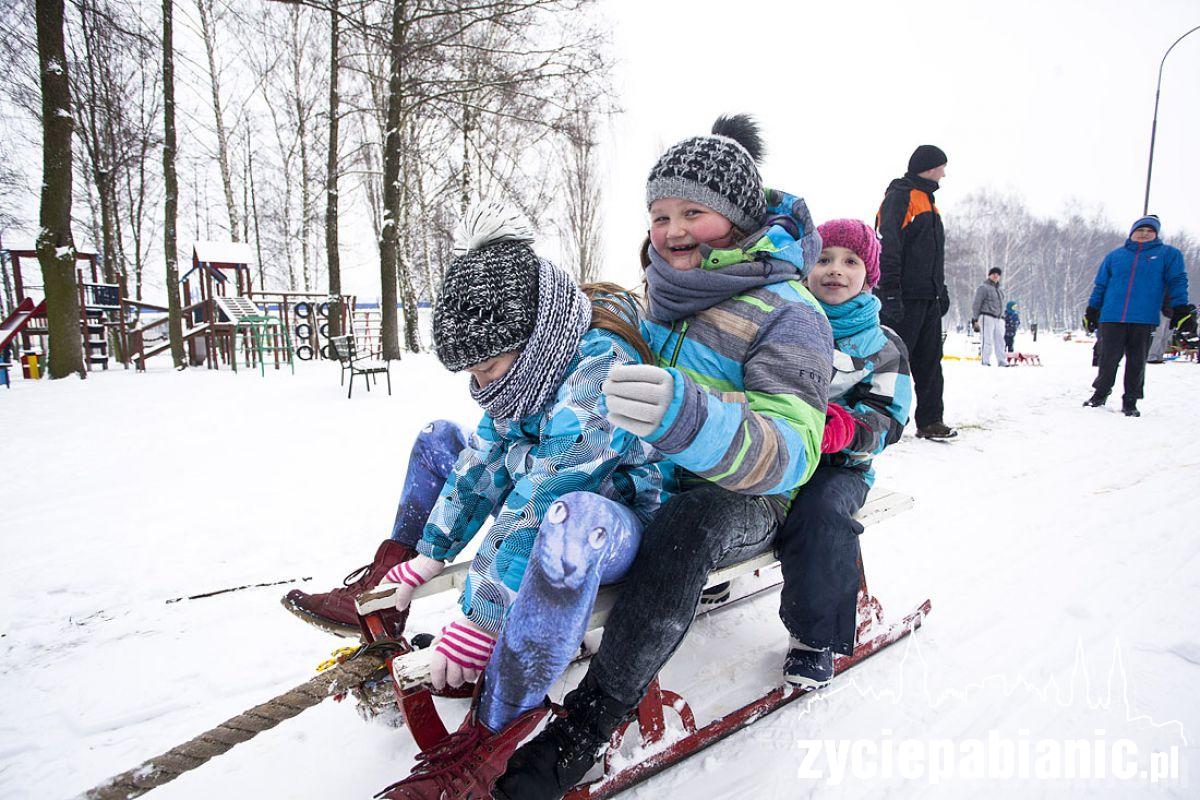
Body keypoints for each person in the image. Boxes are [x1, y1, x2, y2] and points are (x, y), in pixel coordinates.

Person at [283, 205, 675, 800]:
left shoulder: (602, 368)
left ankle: (490, 737)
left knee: (566, 519)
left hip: (613, 522)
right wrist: (427, 557)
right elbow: (482, 463)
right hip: (546, 505)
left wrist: (481, 612)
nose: (482, 382)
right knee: (441, 440)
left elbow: (551, 488)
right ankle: (386, 598)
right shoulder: (522, 374)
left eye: (488, 365)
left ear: (532, 338)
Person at [493, 114, 833, 800]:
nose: (673, 230)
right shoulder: (662, 289)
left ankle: (589, 723)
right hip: (653, 475)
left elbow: (795, 449)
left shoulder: (790, 313)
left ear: (737, 218)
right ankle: (500, 641)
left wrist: (692, 419)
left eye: (693, 213)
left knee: (688, 524)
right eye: (660, 215)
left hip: (746, 497)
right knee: (556, 475)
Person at [776, 219, 912, 688]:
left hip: (839, 466)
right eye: (824, 258)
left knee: (821, 514)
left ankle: (814, 637)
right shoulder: (783, 321)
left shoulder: (883, 344)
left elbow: (891, 416)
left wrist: (849, 429)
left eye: (850, 261)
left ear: (868, 276)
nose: (835, 270)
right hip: (779, 451)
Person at [875, 144, 955, 438]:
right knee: (894, 362)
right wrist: (890, 291)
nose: (944, 173)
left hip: (928, 298)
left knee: (930, 361)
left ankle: (931, 420)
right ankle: (883, 419)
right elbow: (888, 244)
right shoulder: (901, 196)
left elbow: (932, 255)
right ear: (930, 167)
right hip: (904, 298)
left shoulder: (930, 203)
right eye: (942, 167)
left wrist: (940, 289)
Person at [1082, 215, 1193, 416]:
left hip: (1144, 317)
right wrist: (1092, 310)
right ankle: (1100, 393)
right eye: (1140, 230)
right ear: (1132, 232)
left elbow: (1177, 281)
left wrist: (1181, 308)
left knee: (1137, 360)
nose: (1144, 234)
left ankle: (1130, 400)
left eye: (1149, 231)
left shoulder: (1168, 255)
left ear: (1156, 234)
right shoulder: (1115, 256)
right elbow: (1101, 286)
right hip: (1112, 316)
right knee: (1107, 358)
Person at [970, 267, 1007, 367]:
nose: (995, 276)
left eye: (998, 274)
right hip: (987, 316)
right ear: (989, 275)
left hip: (998, 318)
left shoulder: (1000, 290)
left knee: (1000, 341)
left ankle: (1002, 361)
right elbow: (976, 304)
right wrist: (975, 319)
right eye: (993, 274)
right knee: (987, 340)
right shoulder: (983, 287)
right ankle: (985, 361)